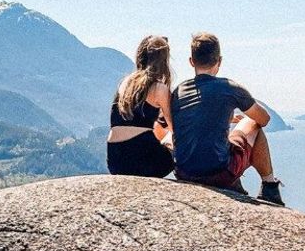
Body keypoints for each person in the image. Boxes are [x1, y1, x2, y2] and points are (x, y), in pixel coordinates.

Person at [171, 32, 284, 205]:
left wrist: (225, 118)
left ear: (191, 61)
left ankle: (236, 183)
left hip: (184, 172)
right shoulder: (229, 88)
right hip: (218, 173)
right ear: (219, 61)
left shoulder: (179, 91)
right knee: (251, 122)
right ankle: (270, 187)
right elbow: (264, 119)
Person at [107, 35, 176, 178]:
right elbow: (174, 127)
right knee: (173, 143)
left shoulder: (125, 83)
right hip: (141, 161)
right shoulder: (159, 88)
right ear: (164, 61)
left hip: (115, 160)